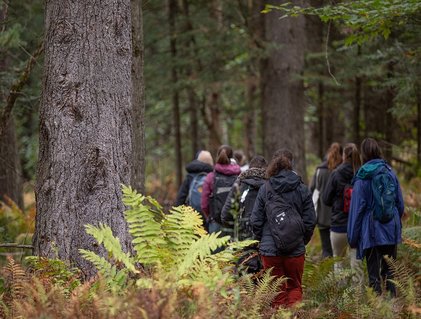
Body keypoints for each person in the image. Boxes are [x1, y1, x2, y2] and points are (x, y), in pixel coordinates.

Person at [250, 149, 316, 308]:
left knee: (276, 292)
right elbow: (310, 221)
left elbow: (255, 221)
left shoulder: (265, 189)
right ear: (290, 166)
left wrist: (262, 241)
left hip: (270, 252)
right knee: (294, 287)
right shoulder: (302, 188)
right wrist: (300, 240)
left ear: (272, 168)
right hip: (295, 250)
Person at [348, 138, 404, 296]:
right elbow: (400, 204)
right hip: (391, 229)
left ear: (363, 154)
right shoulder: (390, 172)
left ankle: (377, 308)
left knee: (373, 277)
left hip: (371, 231)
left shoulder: (362, 177)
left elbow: (357, 211)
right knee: (390, 273)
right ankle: (393, 307)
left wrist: (353, 238)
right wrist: (393, 222)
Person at [322, 143, 363, 279]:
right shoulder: (361, 173)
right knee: (356, 261)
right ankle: (358, 295)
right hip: (357, 226)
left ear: (344, 155)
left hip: (338, 225)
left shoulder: (336, 174)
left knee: (338, 261)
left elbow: (326, 199)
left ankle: (340, 293)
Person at [221, 155, 267, 241]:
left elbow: (225, 215)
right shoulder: (271, 186)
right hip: (265, 241)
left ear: (249, 168)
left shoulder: (239, 183)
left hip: (242, 238)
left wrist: (237, 229)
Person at [310, 142, 343, 258]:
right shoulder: (342, 170)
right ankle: (338, 275)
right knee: (339, 253)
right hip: (339, 215)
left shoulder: (320, 170)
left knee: (326, 249)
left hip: (322, 215)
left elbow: (312, 189)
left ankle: (327, 274)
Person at [201, 145, 241, 234]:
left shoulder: (210, 177)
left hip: (216, 222)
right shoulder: (239, 176)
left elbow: (204, 204)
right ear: (232, 158)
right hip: (235, 223)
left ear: (217, 156)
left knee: (217, 248)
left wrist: (210, 217)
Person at [175, 150, 213, 227]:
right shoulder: (212, 175)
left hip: (192, 213)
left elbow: (181, 197)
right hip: (208, 214)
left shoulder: (190, 175)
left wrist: (177, 216)